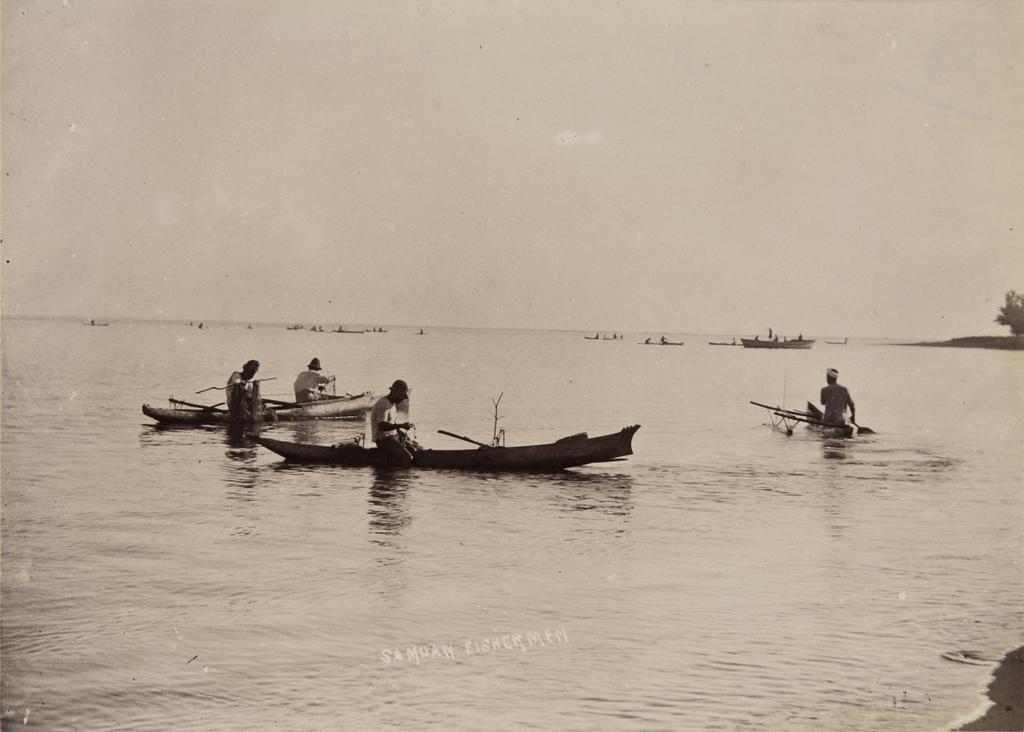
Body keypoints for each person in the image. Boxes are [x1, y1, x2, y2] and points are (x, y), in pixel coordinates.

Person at [370, 380, 417, 466]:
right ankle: (399, 478)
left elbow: (392, 424)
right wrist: (402, 425)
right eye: (403, 396)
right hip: (383, 439)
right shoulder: (383, 404)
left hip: (392, 437)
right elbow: (382, 426)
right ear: (396, 393)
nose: (403, 399)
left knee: (414, 449)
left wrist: (400, 432)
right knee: (407, 457)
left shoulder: (392, 404)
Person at [226, 359, 262, 423]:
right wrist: (241, 383)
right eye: (252, 373)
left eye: (254, 373)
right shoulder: (236, 375)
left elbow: (251, 396)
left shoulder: (249, 382)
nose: (252, 376)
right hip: (234, 404)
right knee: (240, 388)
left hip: (245, 405)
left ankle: (250, 412)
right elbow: (237, 382)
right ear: (247, 370)